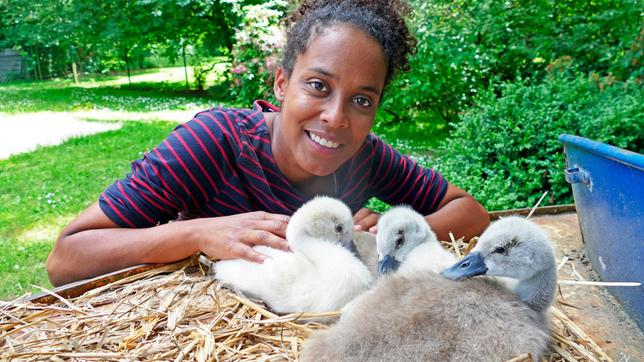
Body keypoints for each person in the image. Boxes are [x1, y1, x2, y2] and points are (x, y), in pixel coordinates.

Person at [46, 0, 489, 286]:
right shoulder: (213, 143)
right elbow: (65, 260)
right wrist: (197, 233)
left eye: (361, 99)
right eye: (318, 85)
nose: (336, 117)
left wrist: (394, 230)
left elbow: (472, 213)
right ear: (281, 83)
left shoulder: (368, 157)